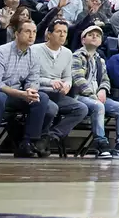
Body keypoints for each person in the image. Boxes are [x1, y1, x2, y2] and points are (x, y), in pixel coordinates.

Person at [0, 19, 53, 157]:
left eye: (34, 32)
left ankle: (27, 142)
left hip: (16, 93)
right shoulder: (1, 52)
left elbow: (33, 80)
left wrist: (30, 90)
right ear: (17, 34)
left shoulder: (34, 55)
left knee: (41, 97)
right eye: (27, 31)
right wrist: (21, 94)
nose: (32, 35)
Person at [71, 23, 119, 158]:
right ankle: (100, 143)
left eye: (98, 35)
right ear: (83, 40)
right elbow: (78, 80)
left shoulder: (100, 60)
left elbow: (105, 79)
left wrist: (103, 89)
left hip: (97, 97)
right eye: (91, 35)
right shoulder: (77, 56)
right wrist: (93, 95)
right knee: (98, 106)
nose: (95, 37)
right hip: (80, 97)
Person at [29, 19, 88, 153]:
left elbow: (68, 77)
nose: (62, 35)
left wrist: (67, 85)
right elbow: (29, 77)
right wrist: (49, 82)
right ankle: (35, 140)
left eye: (65, 32)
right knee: (51, 108)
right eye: (58, 31)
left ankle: (50, 137)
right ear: (49, 34)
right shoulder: (35, 50)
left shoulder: (67, 53)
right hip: (39, 92)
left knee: (81, 109)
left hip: (57, 94)